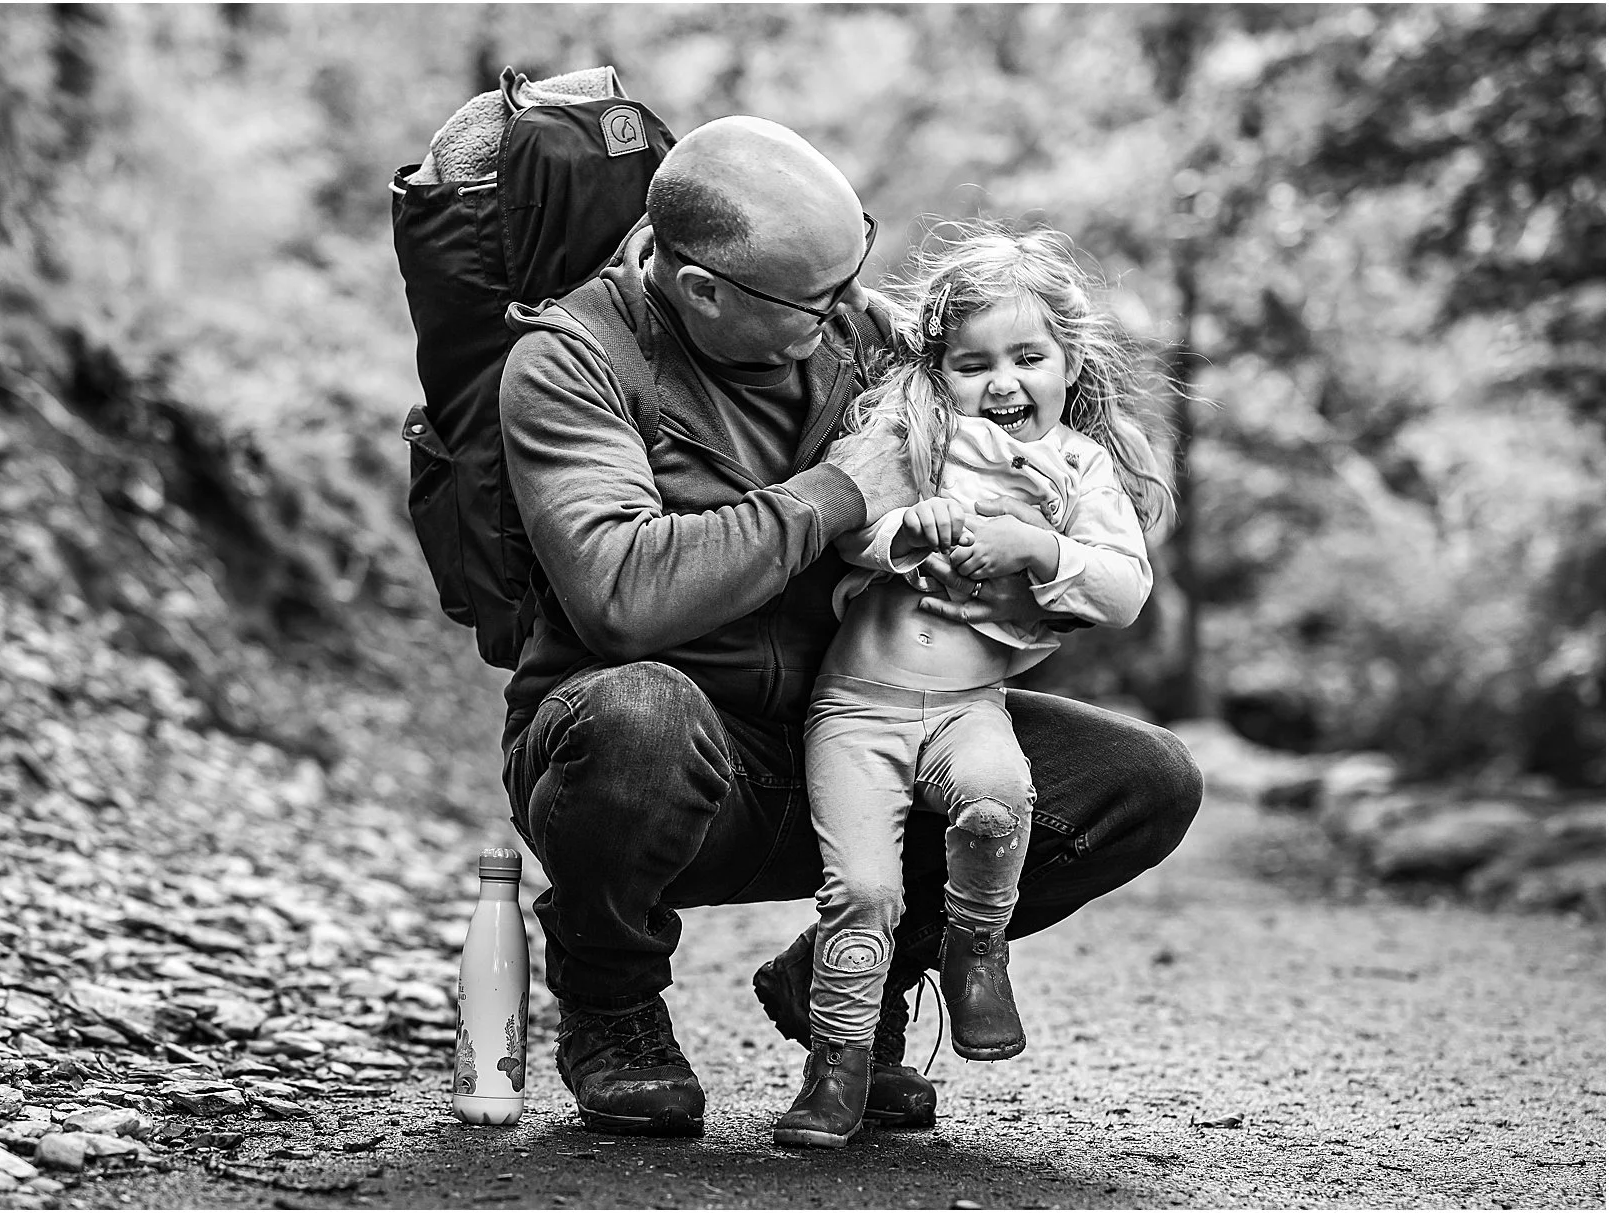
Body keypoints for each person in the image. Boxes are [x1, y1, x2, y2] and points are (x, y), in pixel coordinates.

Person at [498, 115, 1202, 1138]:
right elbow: (620, 595)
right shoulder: (573, 360)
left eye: (854, 271)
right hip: (672, 767)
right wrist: (833, 492)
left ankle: (850, 980)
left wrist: (1035, 553)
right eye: (818, 297)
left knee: (1142, 780)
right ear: (702, 291)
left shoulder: (859, 337)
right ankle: (611, 1003)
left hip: (865, 726)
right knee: (637, 715)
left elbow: (1018, 428)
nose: (855, 309)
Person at [771, 223, 1176, 1148]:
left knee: (998, 803)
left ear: (1070, 361)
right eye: (973, 362)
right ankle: (838, 1065)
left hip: (967, 709)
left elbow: (1123, 588)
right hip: (858, 707)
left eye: (1028, 357)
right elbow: (849, 526)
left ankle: (974, 949)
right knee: (863, 891)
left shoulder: (1079, 468)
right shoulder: (911, 429)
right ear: (938, 368)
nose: (1003, 382)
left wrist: (1035, 548)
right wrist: (905, 532)